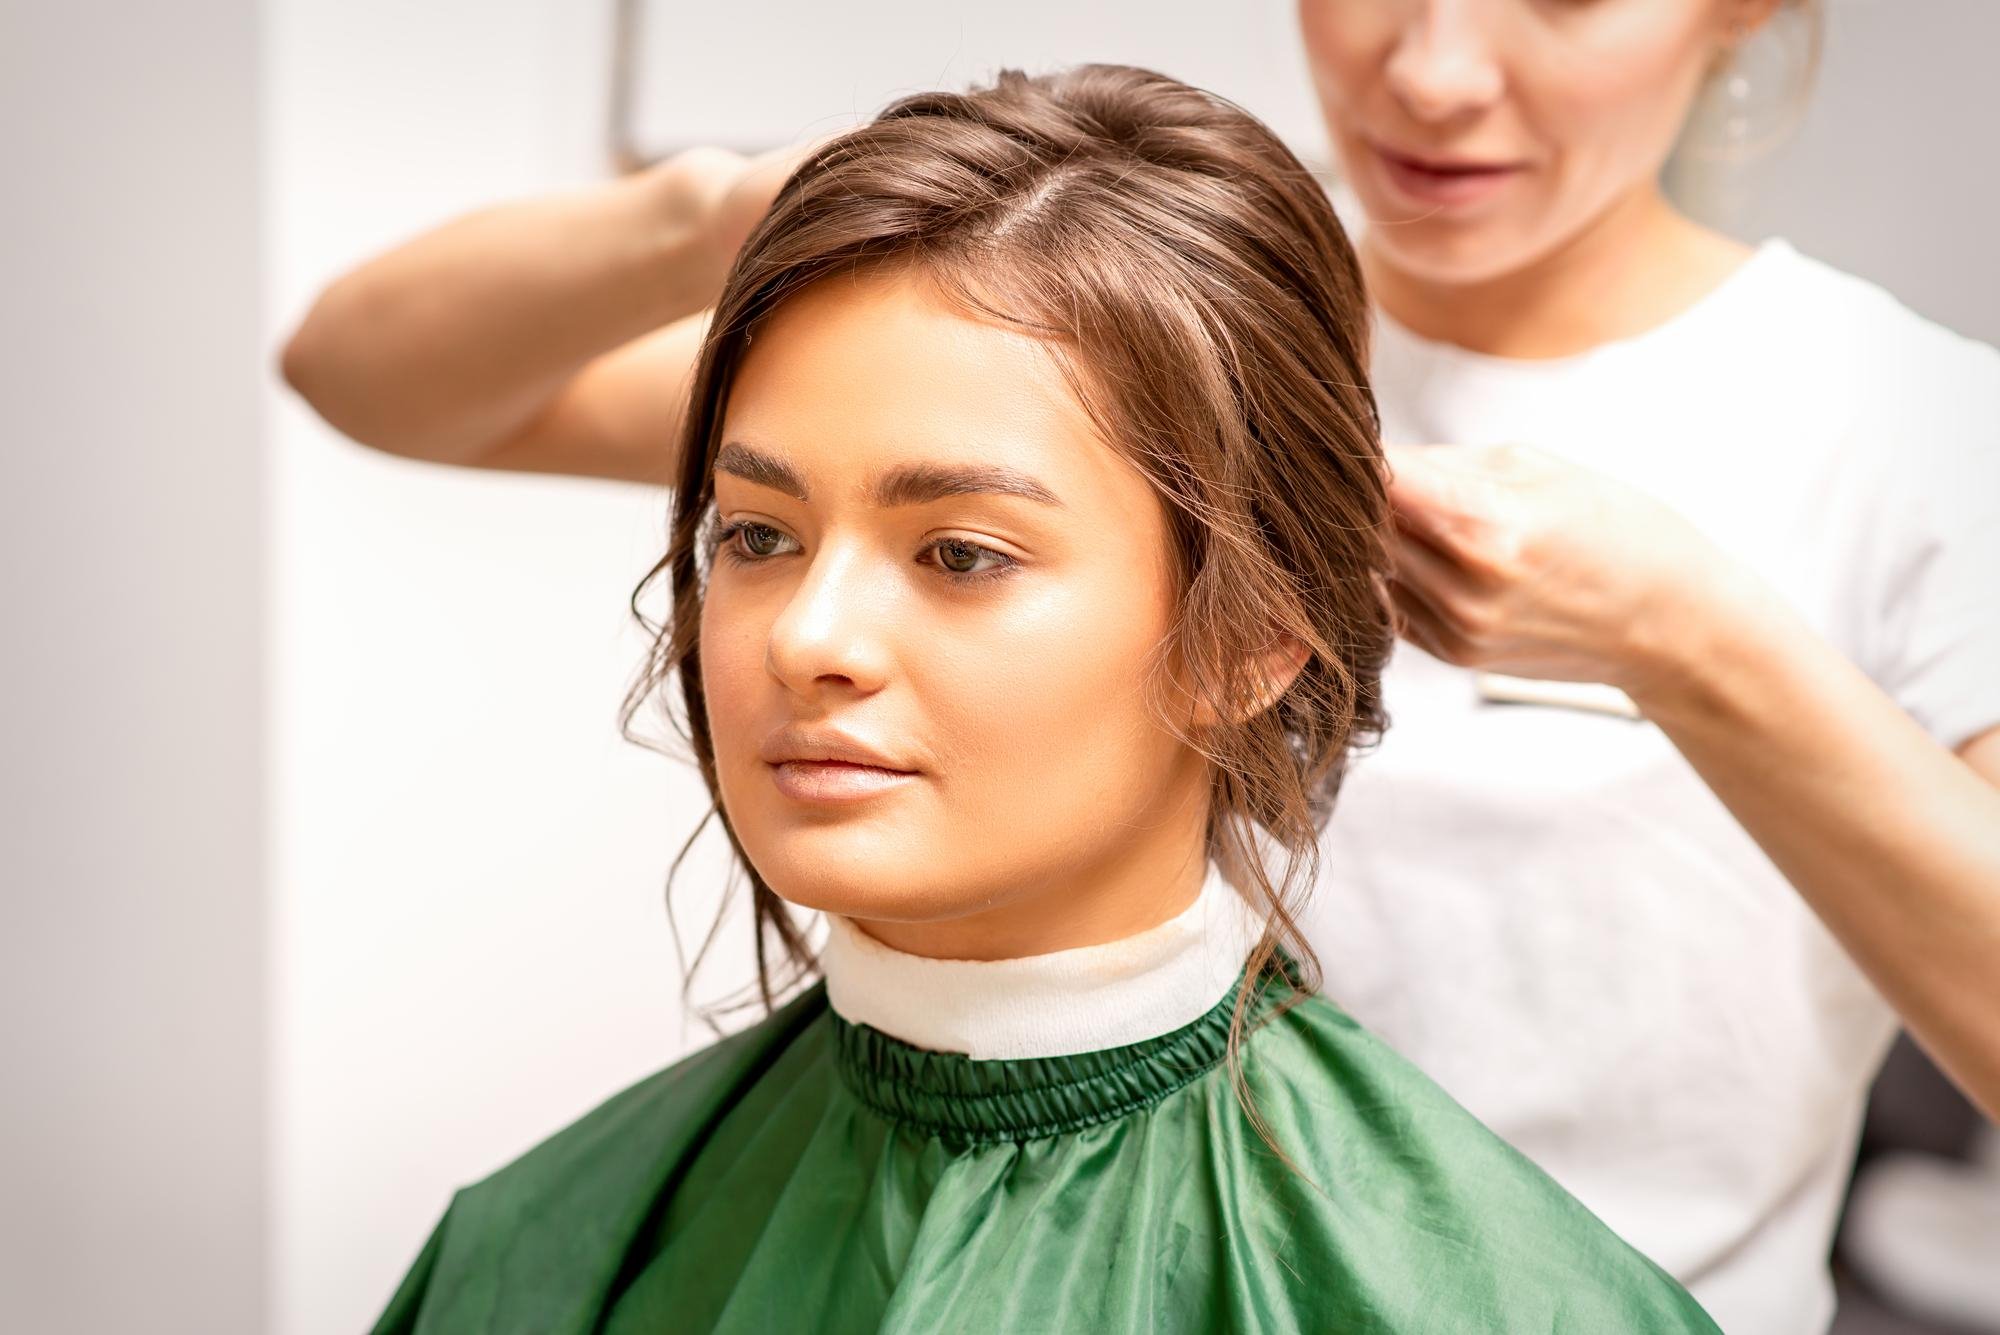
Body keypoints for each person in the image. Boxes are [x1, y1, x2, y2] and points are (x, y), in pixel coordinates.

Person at [281, 3, 2000, 1332]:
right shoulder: (1099, 316)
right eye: (758, 539)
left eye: (961, 552)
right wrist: (759, 210)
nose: (1440, 69)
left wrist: (1687, 637)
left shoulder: (1909, 437)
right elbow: (365, 371)